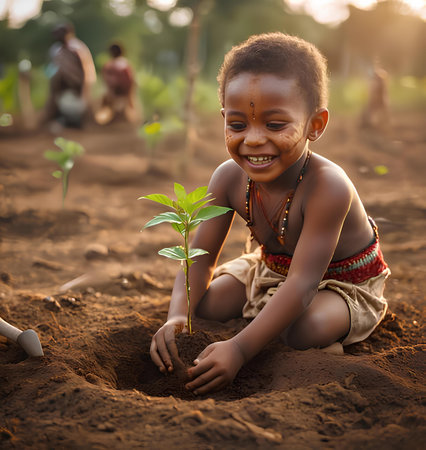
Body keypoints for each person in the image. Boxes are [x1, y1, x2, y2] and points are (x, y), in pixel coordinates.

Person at [150, 32, 390, 395]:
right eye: (237, 124)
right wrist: (177, 316)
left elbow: (302, 285)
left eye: (275, 124)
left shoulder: (329, 187)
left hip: (339, 284)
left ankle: (321, 342)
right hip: (270, 269)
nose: (254, 139)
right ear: (223, 120)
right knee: (207, 306)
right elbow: (198, 259)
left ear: (316, 125)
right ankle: (264, 321)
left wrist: (239, 348)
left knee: (302, 330)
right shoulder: (228, 178)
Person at [43, 22, 97, 127]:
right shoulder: (56, 50)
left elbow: (85, 71)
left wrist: (83, 91)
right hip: (63, 87)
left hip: (77, 85)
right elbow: (53, 69)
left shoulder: (77, 49)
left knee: (77, 111)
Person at [95, 43, 139, 125]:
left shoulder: (109, 65)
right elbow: (132, 81)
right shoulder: (125, 64)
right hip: (122, 94)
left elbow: (107, 81)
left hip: (115, 94)